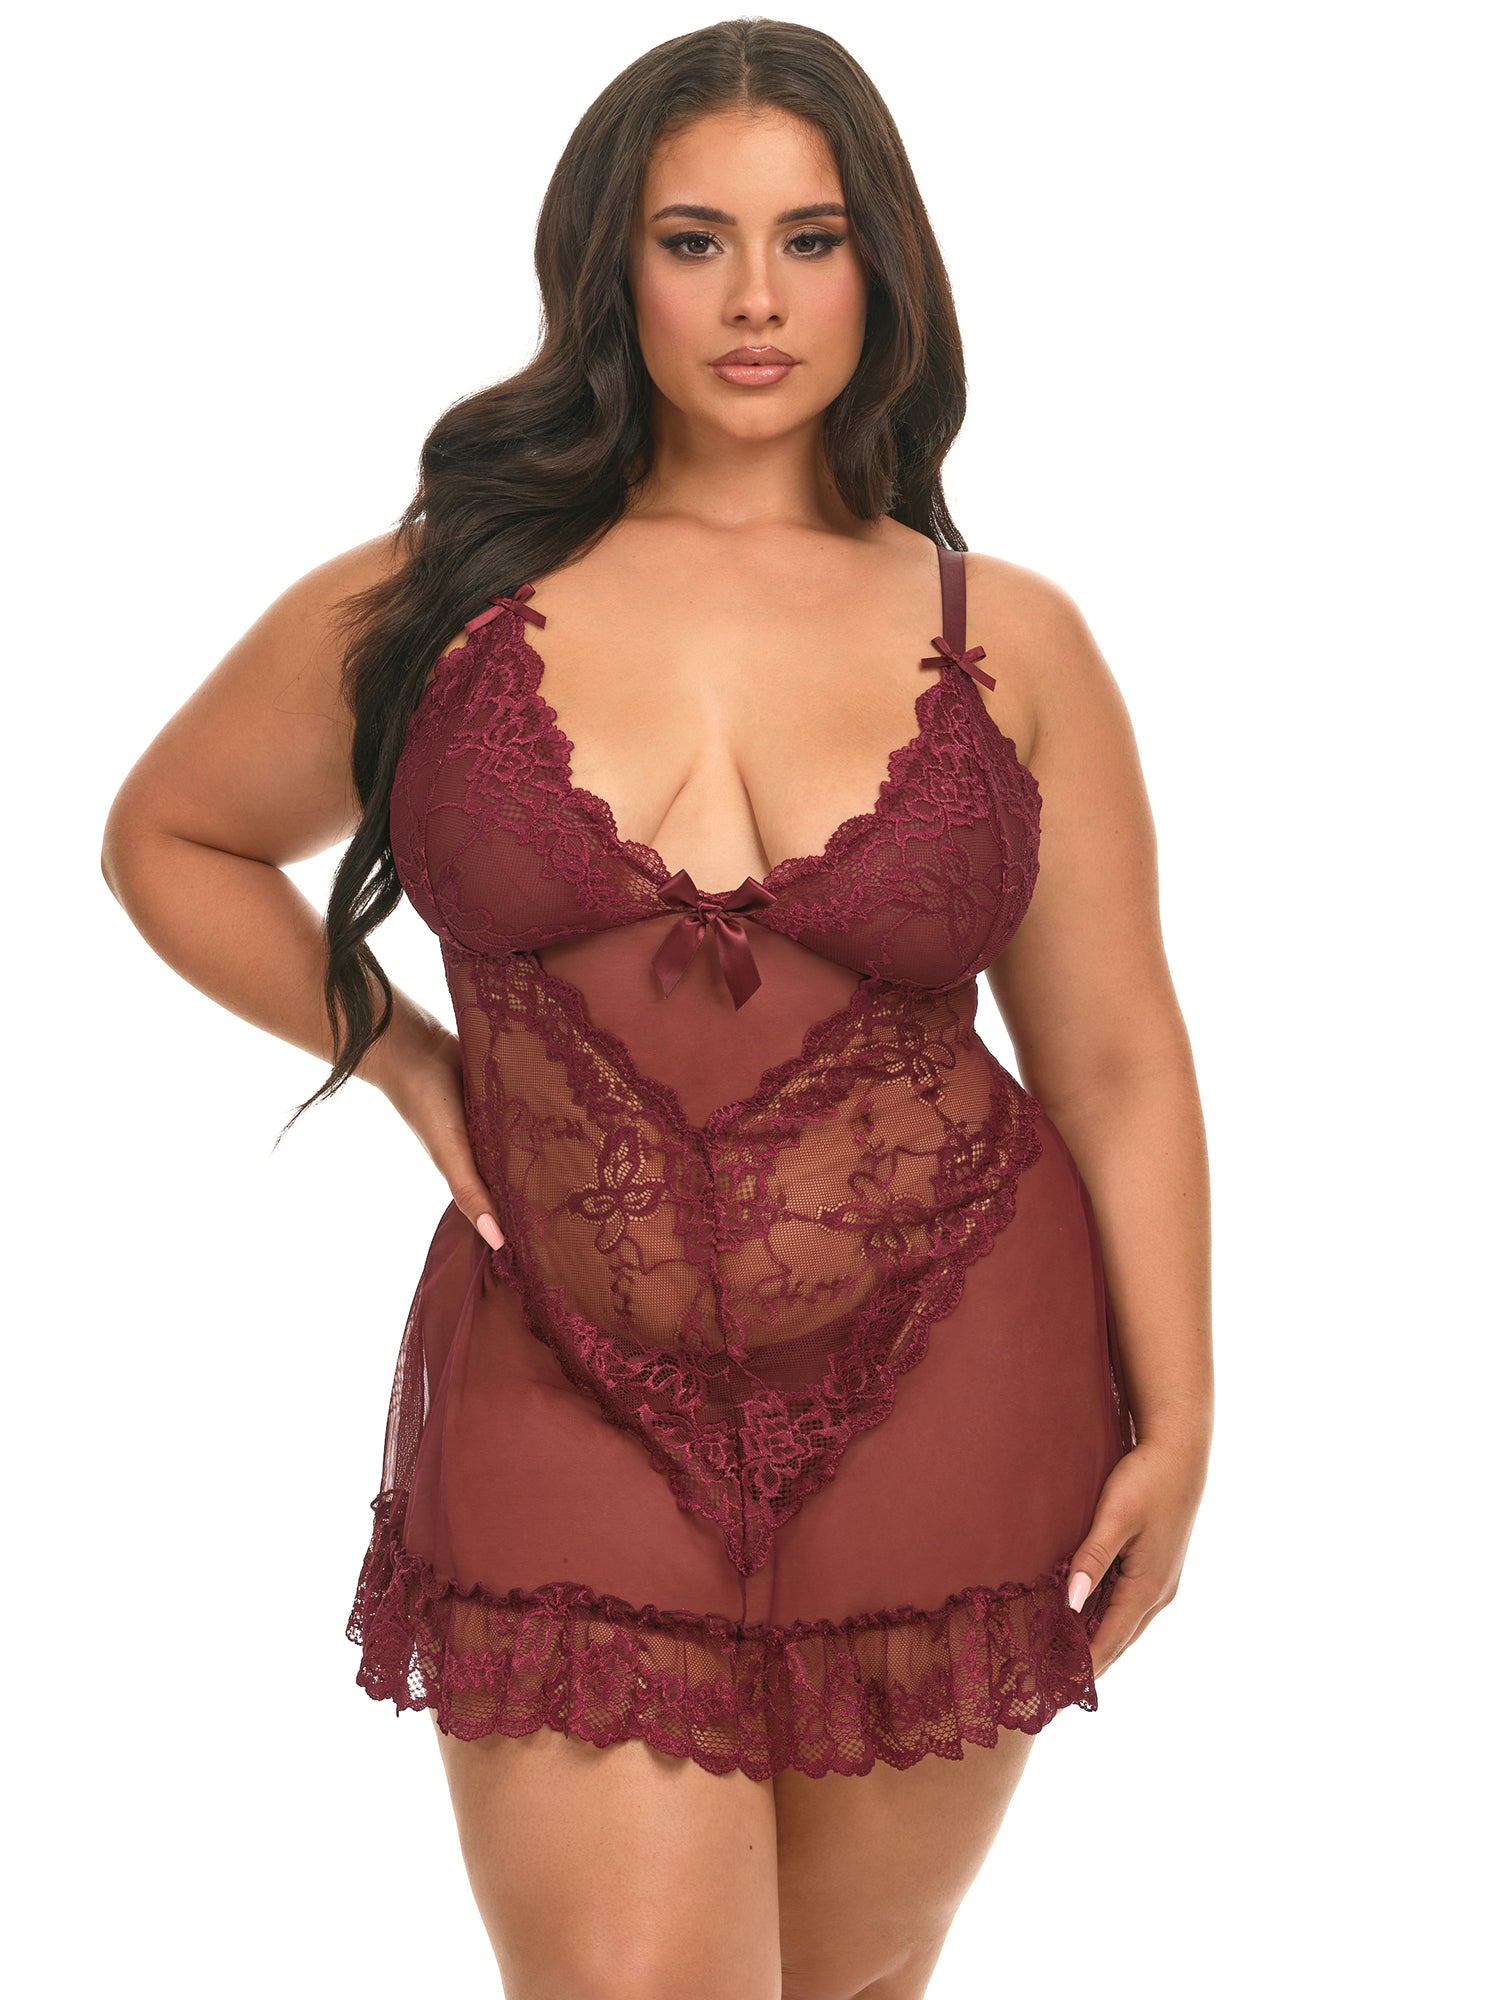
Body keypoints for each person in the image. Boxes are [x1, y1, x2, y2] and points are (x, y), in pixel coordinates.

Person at [101, 19, 1212, 1998]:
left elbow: (1115, 1057)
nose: (758, 297)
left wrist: (1187, 1415)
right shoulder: (435, 599)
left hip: (961, 1370)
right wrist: (408, 1061)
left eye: (812, 238)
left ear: (884, 266)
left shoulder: (1014, 639)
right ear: (610, 266)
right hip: (559, 1367)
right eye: (696, 240)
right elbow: (171, 839)